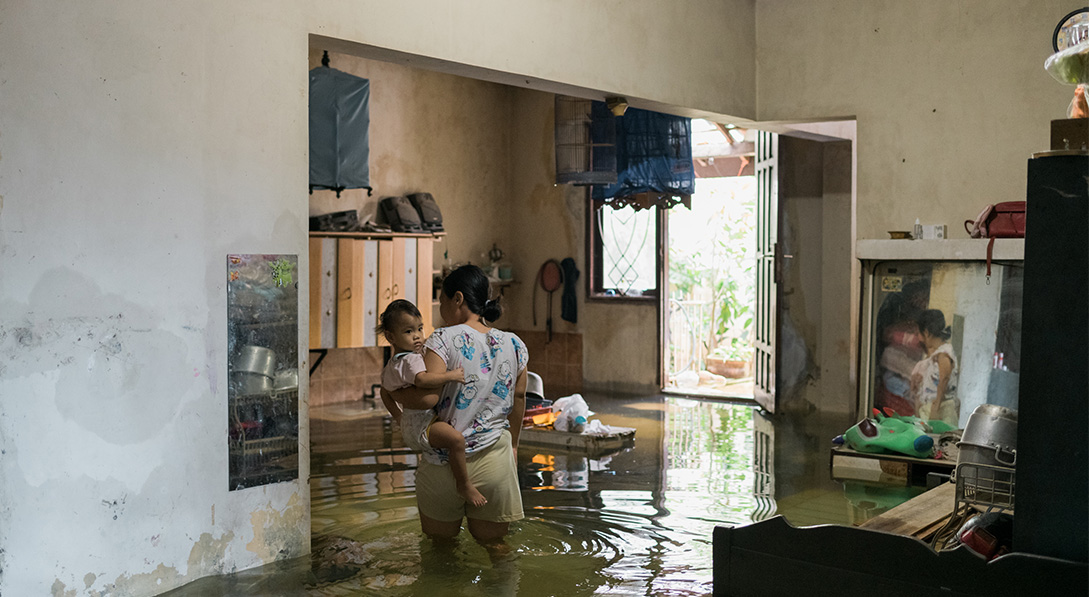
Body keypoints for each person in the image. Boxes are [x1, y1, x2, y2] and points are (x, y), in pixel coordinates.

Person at [382, 265, 529, 546]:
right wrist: (514, 446)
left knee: (440, 551)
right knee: (497, 549)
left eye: (442, 299)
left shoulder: (442, 339)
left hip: (443, 463)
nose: (440, 308)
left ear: (457, 299)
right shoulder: (515, 344)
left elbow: (429, 398)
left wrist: (390, 393)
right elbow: (519, 400)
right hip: (495, 460)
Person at [376, 299, 486, 507]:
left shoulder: (393, 364)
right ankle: (464, 485)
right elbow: (422, 380)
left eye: (419, 328)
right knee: (456, 441)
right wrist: (451, 375)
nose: (417, 335)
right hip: (422, 425)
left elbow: (385, 393)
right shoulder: (411, 360)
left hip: (411, 424)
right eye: (408, 332)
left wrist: (399, 417)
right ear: (391, 337)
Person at [909, 309, 960, 427]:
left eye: (919, 333)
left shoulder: (944, 353)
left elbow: (944, 378)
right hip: (931, 409)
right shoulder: (935, 356)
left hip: (941, 411)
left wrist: (935, 408)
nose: (918, 337)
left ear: (926, 332)